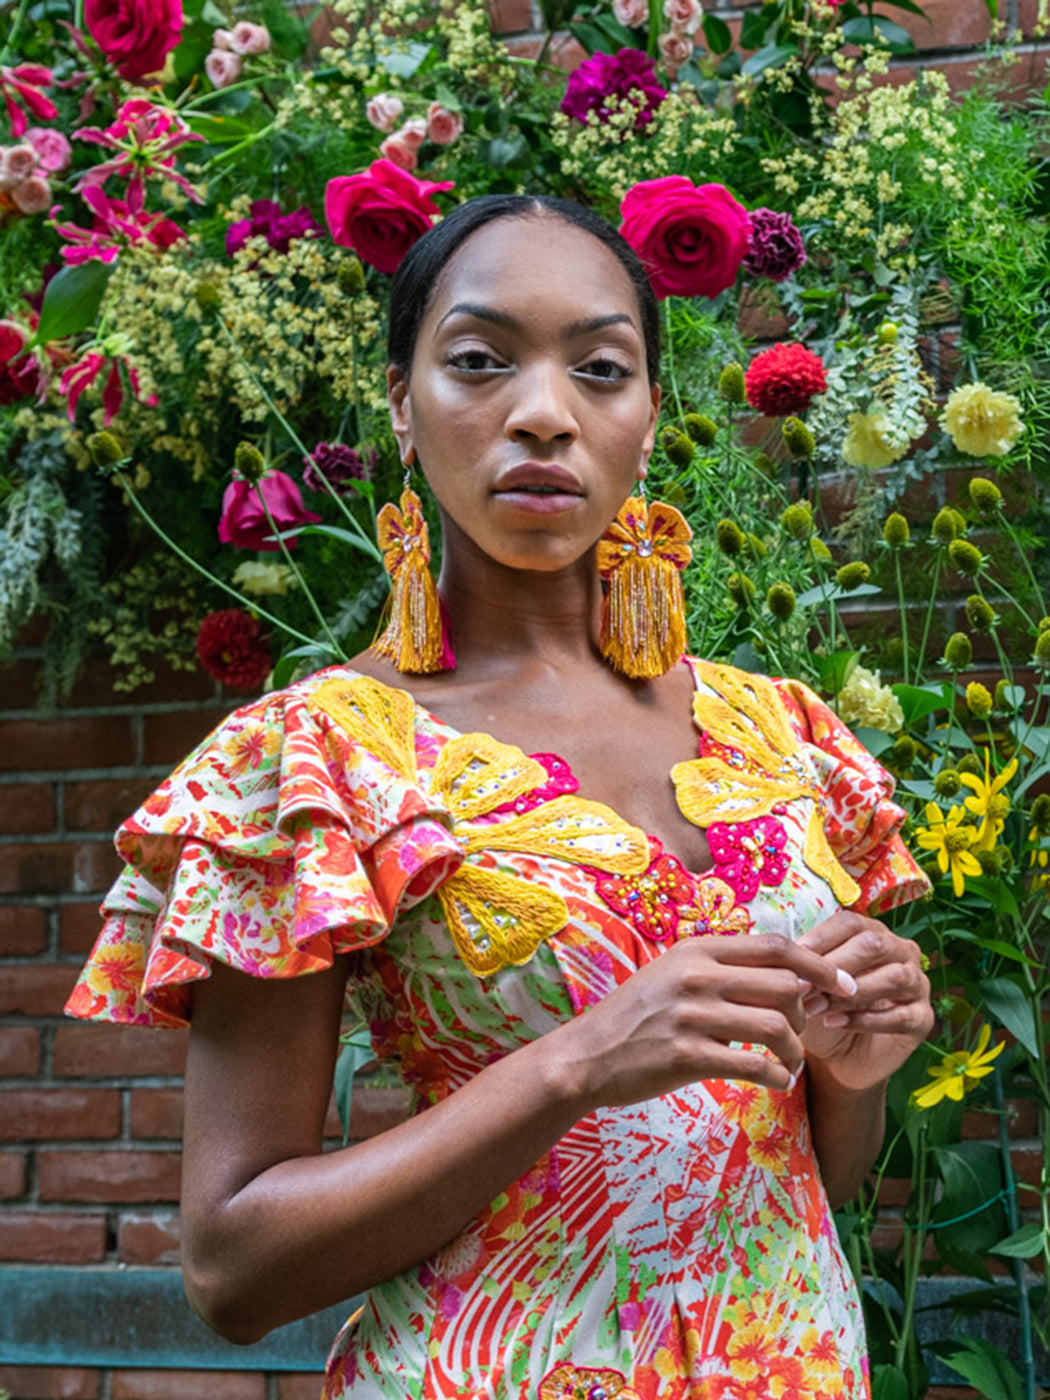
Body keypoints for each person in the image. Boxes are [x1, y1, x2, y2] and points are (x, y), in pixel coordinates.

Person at [66, 194, 934, 1400]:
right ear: (401, 408)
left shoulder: (782, 732)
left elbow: (820, 1179)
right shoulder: (316, 756)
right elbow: (229, 1266)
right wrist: (572, 1062)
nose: (543, 412)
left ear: (646, 415)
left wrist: (855, 1064)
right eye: (479, 360)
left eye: (600, 367)